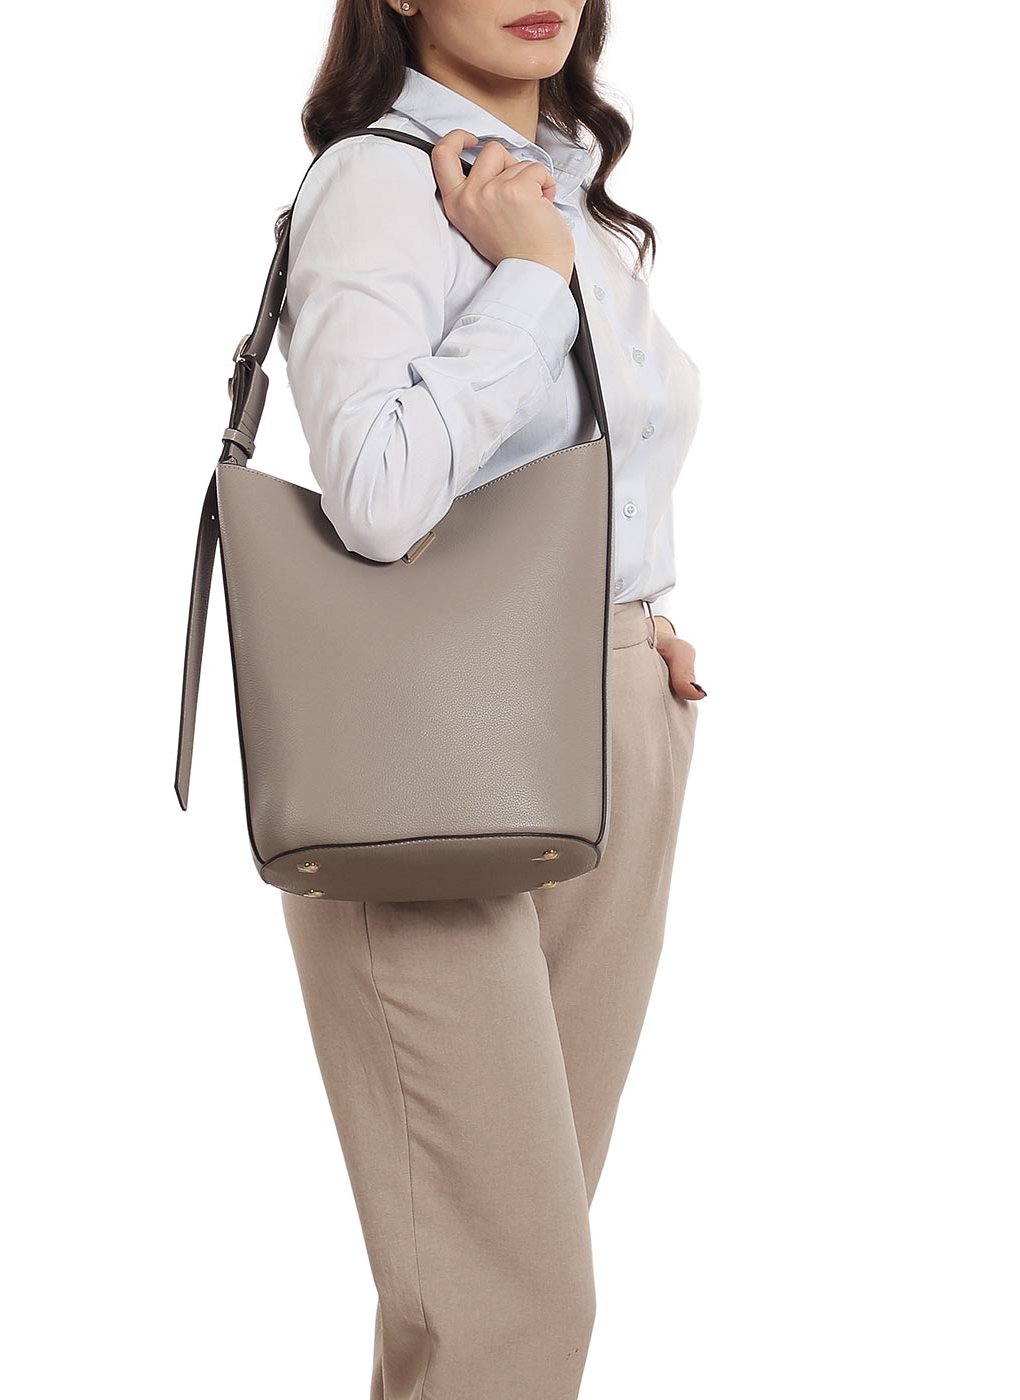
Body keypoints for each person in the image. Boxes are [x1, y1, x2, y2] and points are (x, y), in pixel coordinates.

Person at [274, 4, 704, 1395]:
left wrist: (633, 619)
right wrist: (526, 280)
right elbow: (377, 495)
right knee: (512, 1302)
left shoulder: (566, 188)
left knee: (496, 1287)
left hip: (609, 730)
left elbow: (589, 468)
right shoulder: (381, 186)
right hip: (428, 757)